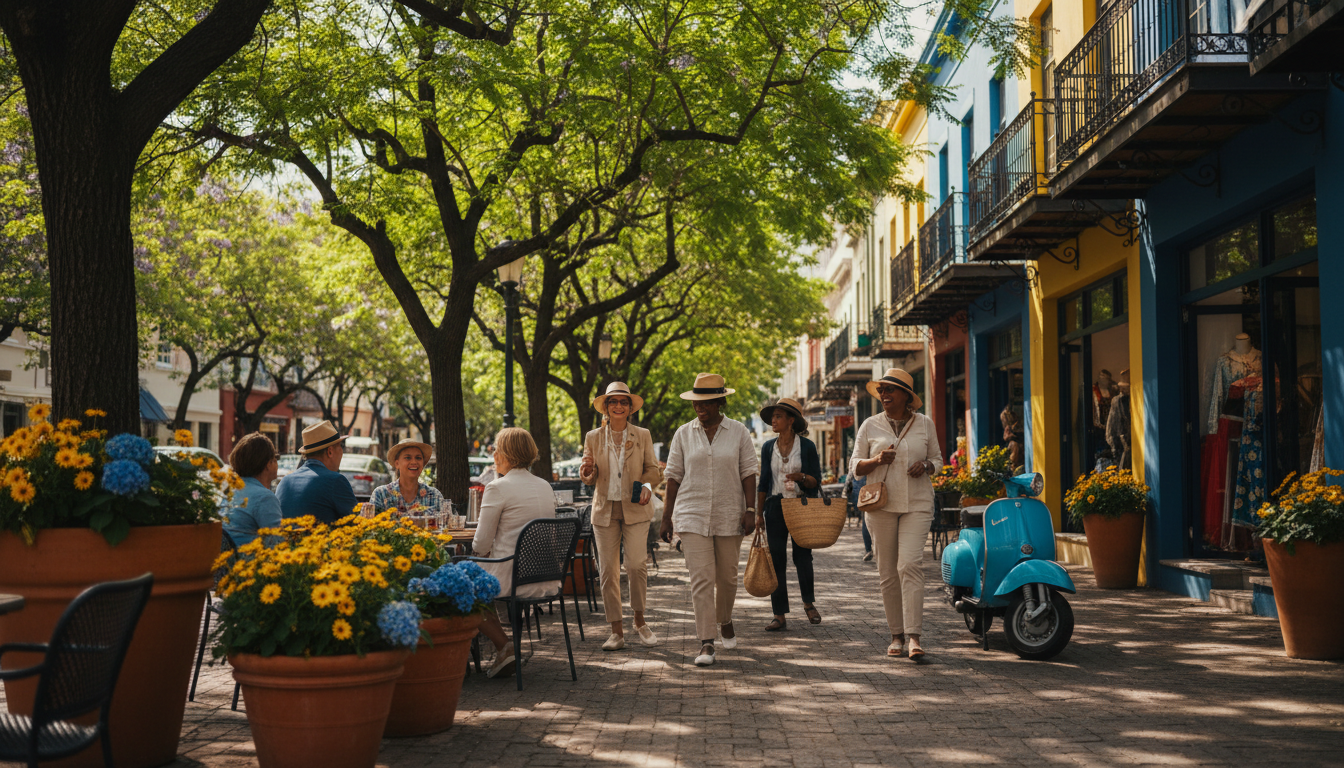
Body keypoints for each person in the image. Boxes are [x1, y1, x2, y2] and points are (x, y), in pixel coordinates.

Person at [659, 373, 758, 667]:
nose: (699, 408)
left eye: (705, 403)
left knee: (726, 578)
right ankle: (706, 642)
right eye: (696, 403)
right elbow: (673, 476)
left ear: (720, 402)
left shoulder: (739, 432)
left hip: (730, 513)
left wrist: (751, 510)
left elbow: (749, 472)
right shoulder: (683, 434)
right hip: (691, 514)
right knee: (702, 579)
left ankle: (725, 619)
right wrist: (667, 517)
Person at [850, 368, 942, 659]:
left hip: (917, 503)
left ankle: (914, 636)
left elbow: (938, 459)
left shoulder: (924, 424)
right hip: (881, 505)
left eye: (890, 390)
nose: (884, 395)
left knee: (910, 565)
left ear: (906, 395)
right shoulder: (869, 425)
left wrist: (926, 466)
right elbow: (854, 467)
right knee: (888, 572)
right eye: (881, 390)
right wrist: (876, 459)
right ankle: (896, 635)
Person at [579, 382, 663, 651]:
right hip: (604, 510)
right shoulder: (593, 436)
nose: (618, 406)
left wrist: (647, 487)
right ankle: (616, 630)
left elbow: (653, 470)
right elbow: (588, 476)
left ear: (630, 408)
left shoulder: (642, 435)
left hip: (635, 508)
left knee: (637, 565)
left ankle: (639, 620)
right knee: (607, 571)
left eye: (623, 402)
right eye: (613, 401)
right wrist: (587, 471)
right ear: (606, 407)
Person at [472, 427, 560, 679]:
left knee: (461, 587)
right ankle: (504, 648)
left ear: (508, 453)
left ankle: (504, 646)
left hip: (514, 578)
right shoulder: (544, 486)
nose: (494, 454)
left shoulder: (498, 488)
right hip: (546, 576)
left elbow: (480, 545)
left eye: (496, 448)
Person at [755, 398, 823, 632]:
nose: (773, 421)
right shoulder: (767, 447)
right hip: (774, 507)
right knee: (776, 560)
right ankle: (779, 614)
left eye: (778, 416)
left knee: (803, 557)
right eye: (772, 417)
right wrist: (758, 514)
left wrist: (801, 477)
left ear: (791, 420)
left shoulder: (807, 447)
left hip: (800, 506)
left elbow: (816, 481)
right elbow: (763, 482)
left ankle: (808, 603)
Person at [275, 420, 359, 524]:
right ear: (330, 451)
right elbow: (357, 522)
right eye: (340, 446)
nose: (342, 452)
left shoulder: (285, 481)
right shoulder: (335, 481)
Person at [221, 432, 282, 547]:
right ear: (268, 464)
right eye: (276, 458)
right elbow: (277, 544)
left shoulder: (229, 491)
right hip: (247, 561)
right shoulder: (265, 498)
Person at [369, 438, 445, 516]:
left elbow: (446, 525)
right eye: (408, 458)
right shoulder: (381, 494)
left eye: (418, 458)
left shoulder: (434, 495)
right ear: (397, 464)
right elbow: (369, 525)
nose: (414, 462)